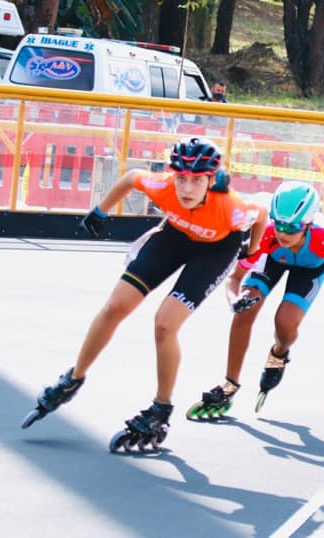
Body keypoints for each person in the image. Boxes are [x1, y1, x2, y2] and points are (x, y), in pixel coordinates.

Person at [21, 137, 269, 452]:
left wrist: (251, 253)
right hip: (175, 236)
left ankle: (160, 409)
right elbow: (129, 178)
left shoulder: (232, 209)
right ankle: (73, 378)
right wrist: (100, 211)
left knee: (165, 324)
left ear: (210, 180)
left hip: (216, 251)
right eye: (181, 178)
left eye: (196, 181)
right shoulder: (163, 186)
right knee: (115, 306)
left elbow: (260, 215)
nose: (186, 188)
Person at [186, 181, 324, 417]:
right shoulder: (267, 235)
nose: (284, 233)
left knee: (285, 324)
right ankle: (230, 384)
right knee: (245, 310)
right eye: (280, 224)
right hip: (273, 258)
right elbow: (233, 279)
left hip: (312, 267)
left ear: (307, 224)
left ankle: (279, 353)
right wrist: (234, 301)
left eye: (293, 227)